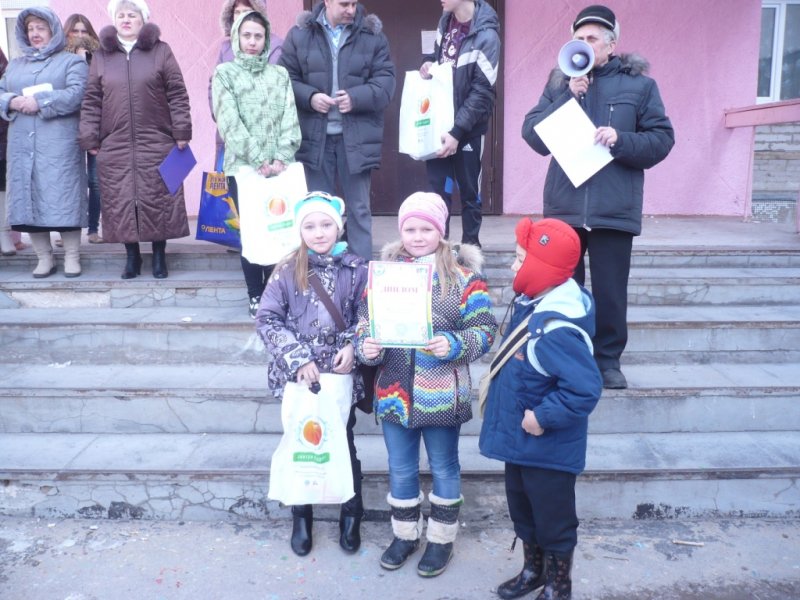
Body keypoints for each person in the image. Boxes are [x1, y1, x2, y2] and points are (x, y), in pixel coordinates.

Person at [521, 4, 674, 389]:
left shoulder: (640, 86)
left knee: (609, 291)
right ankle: (564, 357)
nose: (584, 45)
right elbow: (533, 137)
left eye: (592, 38)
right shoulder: (560, 82)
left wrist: (620, 140)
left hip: (612, 208)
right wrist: (566, 97)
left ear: (611, 45)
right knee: (562, 289)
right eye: (578, 38)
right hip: (565, 208)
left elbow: (661, 140)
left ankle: (607, 362)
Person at [355, 192, 497, 577]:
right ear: (401, 232)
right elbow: (365, 324)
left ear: (441, 230)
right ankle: (405, 535)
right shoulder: (385, 277)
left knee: (445, 467)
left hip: (441, 392)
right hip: (395, 392)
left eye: (426, 228)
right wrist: (366, 346)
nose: (418, 236)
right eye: (410, 229)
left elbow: (485, 331)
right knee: (400, 469)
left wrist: (453, 344)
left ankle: (440, 539)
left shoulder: (465, 278)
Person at [479, 217, 602, 600]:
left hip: (546, 446)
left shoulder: (556, 328)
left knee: (554, 521)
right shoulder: (534, 303)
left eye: (520, 259)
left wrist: (542, 417)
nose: (513, 267)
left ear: (543, 268)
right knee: (524, 512)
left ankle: (558, 584)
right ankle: (532, 570)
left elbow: (584, 389)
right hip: (522, 442)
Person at [255, 191, 368, 557]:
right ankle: (300, 515)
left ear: (339, 225)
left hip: (339, 376)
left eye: (325, 224)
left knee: (344, 443)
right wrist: (297, 358)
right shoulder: (287, 269)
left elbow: (370, 315)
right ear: (299, 229)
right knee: (300, 441)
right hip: (298, 379)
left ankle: (351, 513)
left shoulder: (357, 269)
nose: (318, 233)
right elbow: (267, 318)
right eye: (310, 226)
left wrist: (354, 344)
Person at [79, 0, 192, 280]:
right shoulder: (102, 56)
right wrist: (90, 135)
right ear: (114, 20)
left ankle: (158, 256)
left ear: (143, 20)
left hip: (157, 139)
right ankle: (132, 257)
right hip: (114, 142)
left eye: (132, 15)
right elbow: (92, 99)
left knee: (160, 197)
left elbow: (177, 93)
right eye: (121, 15)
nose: (126, 19)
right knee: (121, 198)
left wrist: (181, 131)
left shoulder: (161, 51)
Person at [279, 0, 396, 261]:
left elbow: (387, 82)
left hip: (355, 139)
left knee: (359, 210)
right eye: (344, 4)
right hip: (314, 139)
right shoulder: (300, 34)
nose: (351, 10)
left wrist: (356, 97)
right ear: (328, 2)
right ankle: (321, 281)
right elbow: (284, 78)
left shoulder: (372, 36)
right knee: (318, 213)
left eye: (354, 4)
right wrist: (309, 97)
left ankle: (361, 281)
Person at [212, 10, 301, 318]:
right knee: (251, 230)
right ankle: (255, 293)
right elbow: (228, 121)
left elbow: (290, 116)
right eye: (246, 35)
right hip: (244, 168)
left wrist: (280, 156)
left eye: (258, 36)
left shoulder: (279, 75)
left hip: (280, 168)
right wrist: (258, 159)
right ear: (237, 37)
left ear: (266, 40)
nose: (252, 42)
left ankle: (280, 292)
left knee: (281, 228)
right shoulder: (225, 73)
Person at [0, 7, 88, 277]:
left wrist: (40, 101)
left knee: (64, 197)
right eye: (30, 29)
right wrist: (11, 101)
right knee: (29, 200)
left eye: (41, 27)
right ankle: (44, 257)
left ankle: (72, 256)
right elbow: (1, 91)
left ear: (53, 30)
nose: (35, 33)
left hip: (59, 144)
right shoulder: (15, 64)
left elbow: (78, 93)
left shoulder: (71, 62)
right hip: (22, 146)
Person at [420, 0, 500, 248]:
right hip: (439, 127)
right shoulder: (445, 21)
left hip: (467, 131)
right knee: (438, 192)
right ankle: (437, 252)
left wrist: (457, 132)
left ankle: (470, 254)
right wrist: (427, 64)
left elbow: (482, 93)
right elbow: (438, 60)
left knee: (469, 193)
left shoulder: (487, 35)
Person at [210, 0, 284, 166]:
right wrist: (224, 117)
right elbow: (214, 87)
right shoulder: (225, 48)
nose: (241, 16)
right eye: (237, 11)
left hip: (262, 140)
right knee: (227, 190)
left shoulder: (275, 46)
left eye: (246, 10)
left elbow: (271, 91)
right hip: (228, 138)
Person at [64, 13, 103, 245]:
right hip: (67, 126)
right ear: (67, 33)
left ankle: (93, 229)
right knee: (70, 179)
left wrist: (84, 60)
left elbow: (97, 90)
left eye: (84, 31)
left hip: (95, 125)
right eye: (74, 31)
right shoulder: (58, 58)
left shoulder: (98, 59)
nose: (79, 36)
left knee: (95, 180)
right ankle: (69, 230)